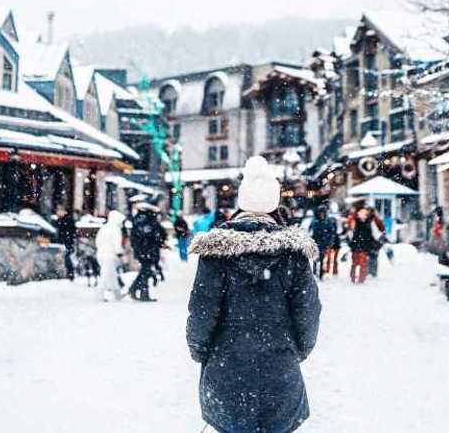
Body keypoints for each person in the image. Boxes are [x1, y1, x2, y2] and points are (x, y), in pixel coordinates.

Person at [187, 155, 321, 433]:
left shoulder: (216, 253)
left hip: (226, 363)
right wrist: (299, 349)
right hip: (279, 365)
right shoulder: (294, 254)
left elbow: (202, 309)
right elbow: (308, 309)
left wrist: (201, 351)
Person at [129, 202, 166, 302]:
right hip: (147, 250)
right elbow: (154, 235)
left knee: (145, 271)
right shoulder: (147, 222)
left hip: (143, 250)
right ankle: (139, 291)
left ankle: (138, 290)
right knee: (145, 271)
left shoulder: (140, 220)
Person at [95, 210, 127, 302]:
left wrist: (101, 249)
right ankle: (99, 294)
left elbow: (98, 241)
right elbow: (117, 243)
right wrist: (119, 253)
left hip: (101, 254)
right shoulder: (116, 229)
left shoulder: (104, 228)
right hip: (110, 255)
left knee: (111, 275)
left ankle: (117, 294)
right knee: (105, 276)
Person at [347, 205, 381, 284]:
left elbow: (373, 234)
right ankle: (353, 278)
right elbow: (350, 234)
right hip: (356, 246)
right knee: (355, 263)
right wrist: (351, 242)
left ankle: (361, 280)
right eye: (361, 215)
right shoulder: (355, 222)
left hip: (365, 247)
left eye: (364, 215)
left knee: (363, 264)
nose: (362, 217)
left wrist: (375, 243)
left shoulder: (370, 223)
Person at [308, 204, 338, 280]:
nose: (321, 214)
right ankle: (315, 272)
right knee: (315, 258)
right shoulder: (315, 221)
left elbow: (332, 233)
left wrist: (329, 242)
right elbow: (310, 230)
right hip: (316, 242)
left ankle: (320, 273)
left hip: (324, 243)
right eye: (320, 212)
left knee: (322, 258)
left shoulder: (328, 221)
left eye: (323, 212)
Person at [53, 206, 78, 281]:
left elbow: (72, 232)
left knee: (67, 257)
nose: (58, 212)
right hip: (63, 242)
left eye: (59, 210)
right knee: (64, 258)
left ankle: (70, 273)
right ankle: (67, 273)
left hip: (67, 242)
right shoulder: (60, 220)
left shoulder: (67, 220)